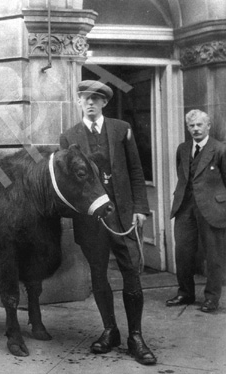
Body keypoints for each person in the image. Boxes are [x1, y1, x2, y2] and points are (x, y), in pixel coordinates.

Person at [59, 80, 156, 365]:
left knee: (131, 273)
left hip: (123, 213)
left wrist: (141, 208)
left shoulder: (121, 129)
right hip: (91, 218)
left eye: (96, 99)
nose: (90, 103)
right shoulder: (69, 137)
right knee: (99, 273)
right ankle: (110, 330)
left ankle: (135, 337)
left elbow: (136, 171)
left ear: (104, 103)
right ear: (79, 102)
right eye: (85, 98)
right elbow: (68, 183)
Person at [166, 109, 226, 313]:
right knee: (182, 252)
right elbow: (183, 176)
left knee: (214, 255)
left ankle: (211, 298)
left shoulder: (219, 149)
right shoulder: (182, 149)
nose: (195, 129)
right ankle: (185, 293)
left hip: (212, 208)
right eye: (191, 126)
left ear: (208, 126)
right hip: (185, 206)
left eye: (199, 125)